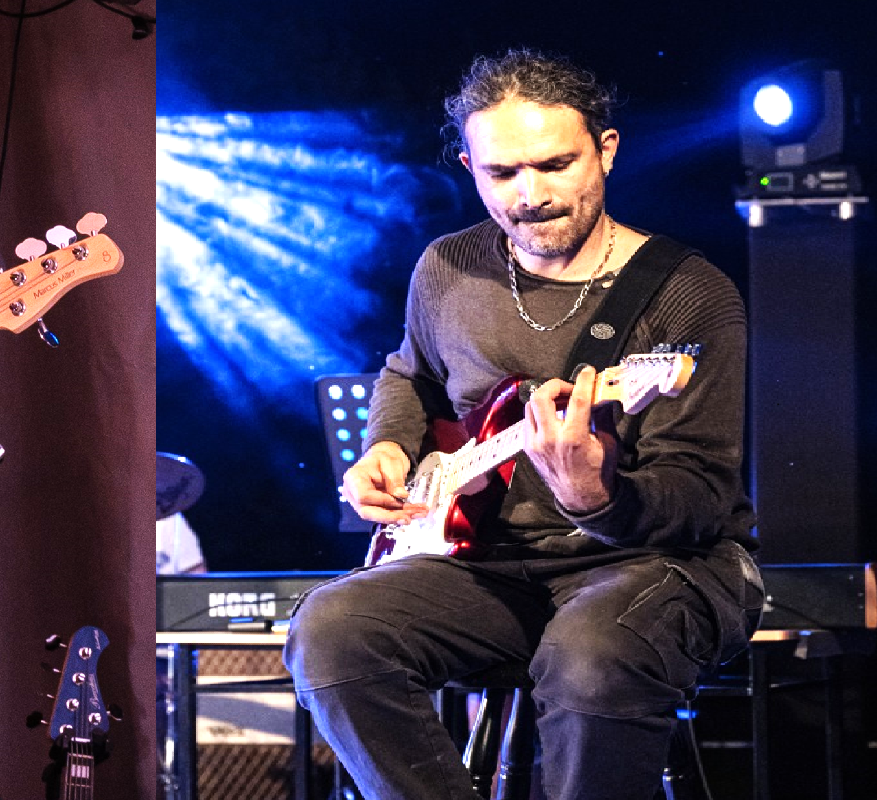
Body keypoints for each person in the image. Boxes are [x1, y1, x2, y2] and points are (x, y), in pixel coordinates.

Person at [284, 51, 762, 799]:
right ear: (470, 164)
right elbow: (411, 374)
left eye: (554, 165)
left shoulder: (687, 295)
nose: (529, 195)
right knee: (330, 632)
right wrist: (386, 444)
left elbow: (700, 494)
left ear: (605, 151)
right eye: (502, 174)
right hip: (490, 566)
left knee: (591, 653)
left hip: (658, 564)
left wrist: (597, 495)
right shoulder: (448, 266)